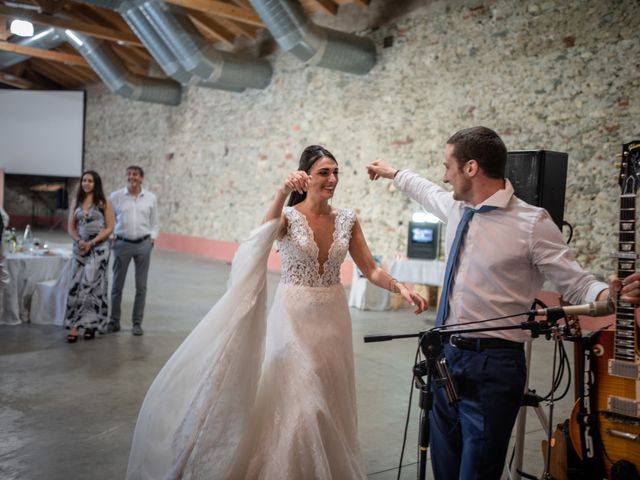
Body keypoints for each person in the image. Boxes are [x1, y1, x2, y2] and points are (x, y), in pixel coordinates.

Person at [126, 145, 428, 479]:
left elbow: (370, 268)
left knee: (329, 396)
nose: (332, 179)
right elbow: (257, 241)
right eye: (324, 172)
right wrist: (281, 191)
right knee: (306, 403)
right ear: (306, 177)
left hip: (333, 318)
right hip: (294, 316)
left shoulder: (347, 220)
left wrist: (400, 287)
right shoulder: (288, 217)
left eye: (336, 172)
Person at [366, 126, 640, 480]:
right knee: (445, 468)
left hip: (493, 365)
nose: (443, 174)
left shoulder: (532, 223)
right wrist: (392, 172)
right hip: (446, 358)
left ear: (471, 168)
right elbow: (424, 188)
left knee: (478, 472)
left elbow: (579, 282)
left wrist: (610, 296)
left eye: (447, 165)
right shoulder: (455, 207)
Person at [108, 166, 159, 336]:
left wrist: (152, 237)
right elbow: (109, 219)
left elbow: (155, 221)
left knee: (141, 286)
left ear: (141, 178)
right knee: (117, 286)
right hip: (122, 244)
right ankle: (114, 322)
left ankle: (137, 323)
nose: (132, 177)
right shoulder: (115, 197)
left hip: (143, 245)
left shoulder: (150, 198)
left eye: (135, 174)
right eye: (129, 174)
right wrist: (112, 235)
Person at [65, 170, 115, 343]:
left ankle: (89, 325)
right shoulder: (76, 201)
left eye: (90, 181)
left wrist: (91, 243)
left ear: (96, 184)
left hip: (98, 248)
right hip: (79, 248)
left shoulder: (104, 202)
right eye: (84, 180)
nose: (86, 183)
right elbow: (71, 227)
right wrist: (79, 241)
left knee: (91, 286)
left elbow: (110, 228)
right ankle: (73, 325)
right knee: (75, 285)